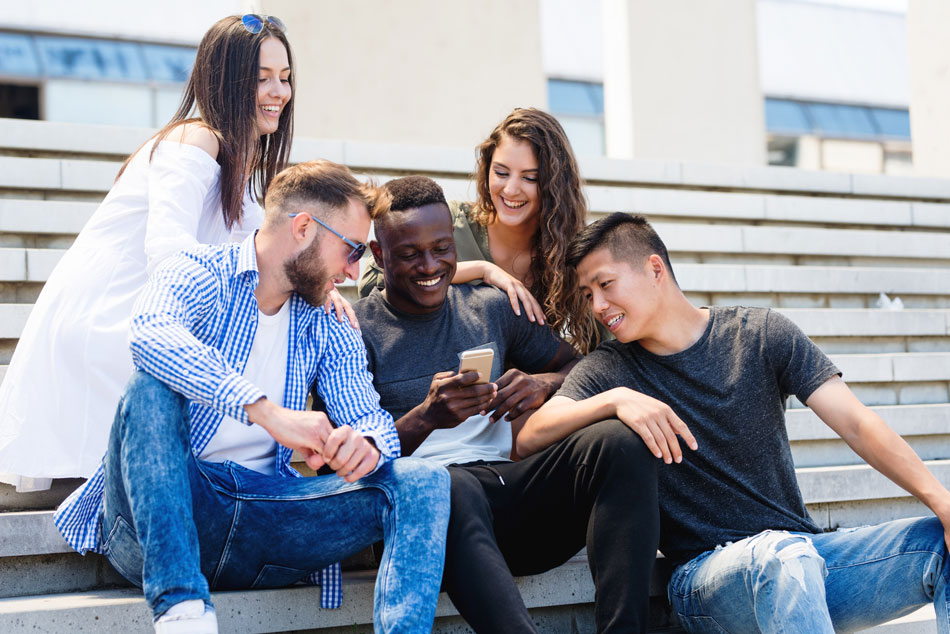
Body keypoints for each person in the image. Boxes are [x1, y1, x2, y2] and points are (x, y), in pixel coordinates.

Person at [54, 161, 451, 634]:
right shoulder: (200, 272)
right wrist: (268, 414)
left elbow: (370, 418)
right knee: (149, 385)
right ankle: (182, 612)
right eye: (350, 250)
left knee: (423, 479)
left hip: (266, 519)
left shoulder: (327, 318)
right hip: (163, 518)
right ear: (304, 228)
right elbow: (150, 336)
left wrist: (364, 445)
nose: (353, 271)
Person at [521, 212, 950, 634]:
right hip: (705, 580)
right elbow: (529, 437)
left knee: (939, 544)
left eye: (605, 285)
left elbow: (857, 423)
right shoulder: (610, 370)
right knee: (782, 558)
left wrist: (942, 503)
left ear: (654, 269)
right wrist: (615, 400)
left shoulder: (761, 333)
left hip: (804, 558)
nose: (597, 306)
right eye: (588, 293)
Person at [0, 14, 351, 493]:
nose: (279, 92)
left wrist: (320, 284)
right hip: (110, 316)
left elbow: (270, 254)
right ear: (224, 82)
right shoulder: (196, 139)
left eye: (285, 79)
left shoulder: (244, 171)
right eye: (262, 78)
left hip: (150, 308)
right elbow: (168, 253)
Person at [353, 176, 660, 634]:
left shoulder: (490, 306)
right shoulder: (355, 329)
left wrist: (544, 384)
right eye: (409, 254)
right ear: (379, 256)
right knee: (448, 486)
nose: (430, 265)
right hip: (425, 522)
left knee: (618, 441)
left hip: (514, 495)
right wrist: (425, 417)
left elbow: (577, 362)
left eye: (441, 248)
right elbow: (346, 464)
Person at [358, 107, 598, 350]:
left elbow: (602, 341)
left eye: (530, 178)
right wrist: (481, 270)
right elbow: (372, 284)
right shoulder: (447, 222)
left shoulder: (571, 250)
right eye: (501, 173)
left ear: (554, 185)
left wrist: (546, 381)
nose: (511, 189)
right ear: (487, 170)